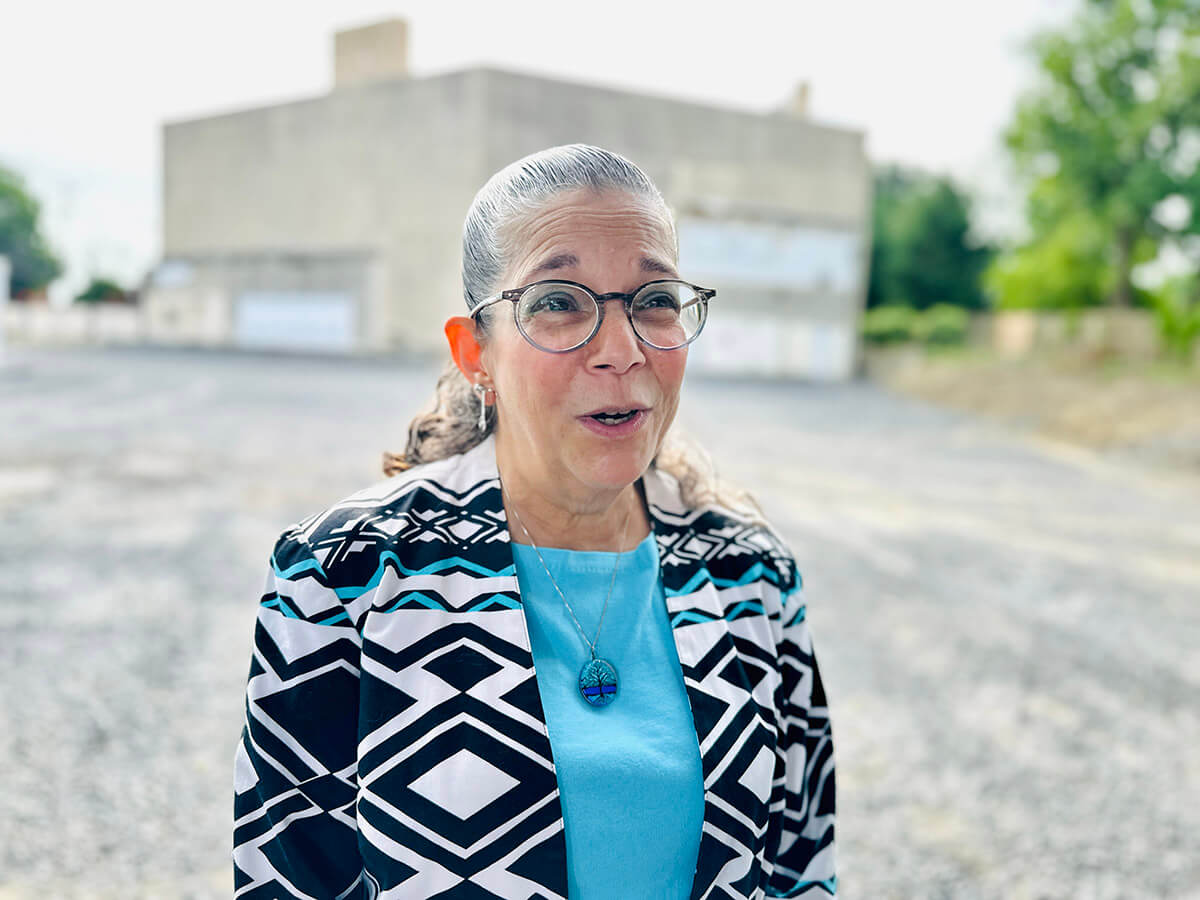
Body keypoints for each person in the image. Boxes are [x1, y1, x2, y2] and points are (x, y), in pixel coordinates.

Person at [233, 144, 836, 899]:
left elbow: (799, 870)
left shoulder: (751, 576)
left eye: (653, 300)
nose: (621, 352)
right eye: (558, 301)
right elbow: (288, 880)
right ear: (474, 350)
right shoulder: (345, 574)